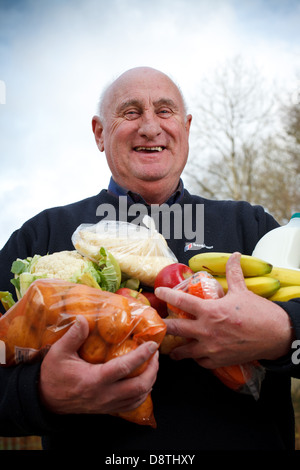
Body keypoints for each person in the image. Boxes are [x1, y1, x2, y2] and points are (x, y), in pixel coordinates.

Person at [0, 66, 299, 451]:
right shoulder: (42, 235)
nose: (150, 127)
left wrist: (283, 334)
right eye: (130, 112)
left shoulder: (250, 225)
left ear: (186, 127)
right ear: (99, 133)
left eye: (164, 110)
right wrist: (42, 392)